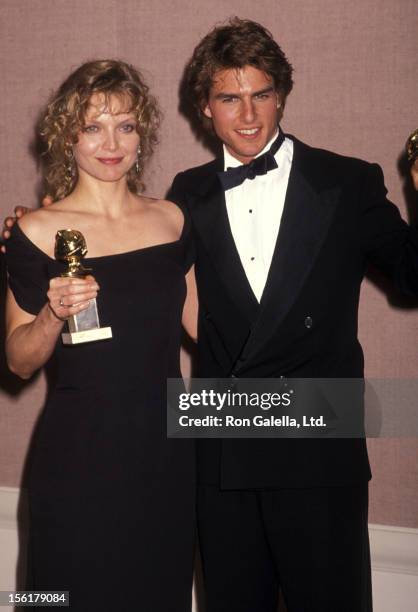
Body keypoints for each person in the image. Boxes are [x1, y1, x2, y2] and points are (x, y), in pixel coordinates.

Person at [166, 18, 418, 612]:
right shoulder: (186, 193)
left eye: (261, 94)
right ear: (206, 108)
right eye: (229, 97)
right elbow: (132, 271)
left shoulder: (347, 182)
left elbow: (411, 279)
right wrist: (42, 236)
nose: (248, 114)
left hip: (319, 444)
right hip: (223, 442)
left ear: (281, 94)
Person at [3, 60, 197, 611]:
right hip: (77, 462)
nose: (111, 143)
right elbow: (18, 362)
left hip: (164, 460)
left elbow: (212, 331)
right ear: (69, 137)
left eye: (126, 125)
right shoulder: (36, 232)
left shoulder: (173, 222)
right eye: (93, 127)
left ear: (143, 134)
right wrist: (50, 315)